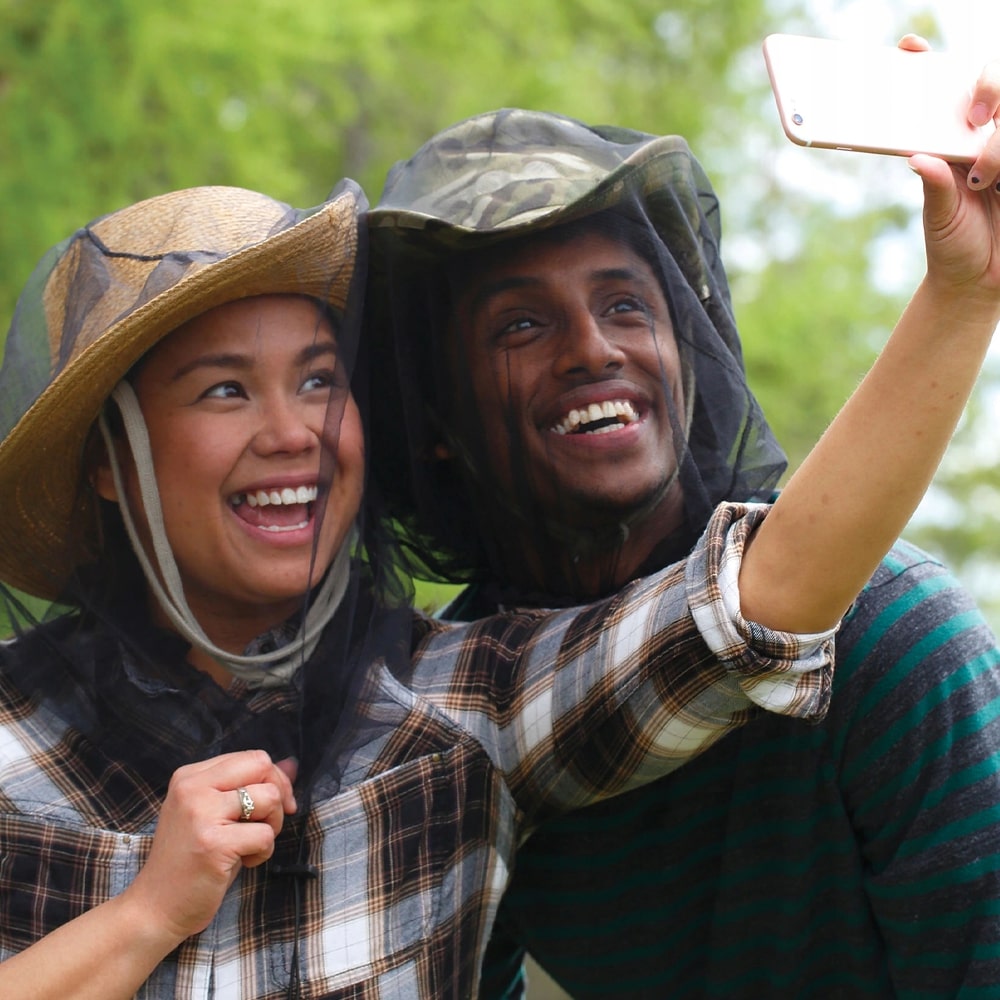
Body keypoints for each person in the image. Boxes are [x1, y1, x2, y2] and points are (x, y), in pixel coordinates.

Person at [0, 180, 916, 999]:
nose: (293, 434)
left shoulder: (462, 698)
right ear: (110, 464)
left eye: (320, 381)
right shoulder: (14, 733)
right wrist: (147, 915)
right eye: (225, 391)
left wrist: (962, 292)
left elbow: (758, 602)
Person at [366, 55, 1000, 1000]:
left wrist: (967, 292)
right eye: (519, 327)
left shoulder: (891, 641)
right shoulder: (445, 714)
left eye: (625, 304)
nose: (592, 347)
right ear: (438, 428)